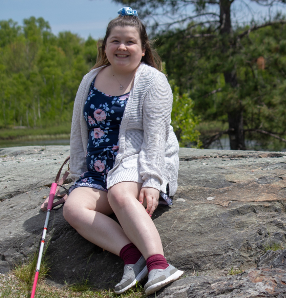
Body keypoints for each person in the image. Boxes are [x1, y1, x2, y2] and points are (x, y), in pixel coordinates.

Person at [60, 7, 183, 295]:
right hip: (98, 169)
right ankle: (132, 257)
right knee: (73, 208)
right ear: (105, 46)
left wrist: (153, 181)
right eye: (115, 41)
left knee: (119, 194)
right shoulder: (90, 79)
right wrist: (76, 179)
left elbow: (156, 137)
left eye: (130, 42)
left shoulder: (153, 81)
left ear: (142, 49)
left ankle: (159, 264)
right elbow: (79, 133)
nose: (122, 47)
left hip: (136, 162)